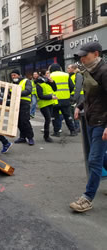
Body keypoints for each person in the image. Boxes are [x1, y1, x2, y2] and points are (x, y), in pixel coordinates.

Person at [70, 42, 107, 212]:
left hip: (102, 122)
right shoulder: (88, 71)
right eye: (81, 56)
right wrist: (80, 106)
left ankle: (87, 198)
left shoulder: (104, 71)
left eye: (85, 55)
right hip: (91, 120)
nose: (82, 59)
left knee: (94, 159)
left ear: (96, 53)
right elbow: (90, 97)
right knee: (101, 158)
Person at [49, 63, 77, 137]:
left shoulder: (50, 76)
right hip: (65, 99)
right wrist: (67, 93)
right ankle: (72, 131)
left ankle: (56, 132)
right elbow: (71, 86)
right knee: (68, 116)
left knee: (55, 116)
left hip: (54, 99)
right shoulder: (66, 75)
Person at [10, 69, 35, 146]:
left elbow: (28, 90)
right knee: (18, 122)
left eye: (15, 75)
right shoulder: (12, 83)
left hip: (24, 103)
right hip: (16, 104)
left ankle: (30, 137)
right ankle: (22, 137)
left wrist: (17, 92)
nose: (13, 77)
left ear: (19, 75)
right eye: (12, 76)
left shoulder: (26, 81)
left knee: (25, 121)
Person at [35, 76, 58, 142]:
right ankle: (46, 136)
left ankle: (46, 136)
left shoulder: (48, 83)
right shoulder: (39, 85)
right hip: (43, 105)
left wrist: (52, 82)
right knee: (47, 119)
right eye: (47, 74)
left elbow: (54, 89)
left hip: (50, 103)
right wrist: (51, 97)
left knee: (48, 119)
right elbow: (41, 96)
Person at [67, 64, 84, 133]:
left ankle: (78, 127)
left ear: (73, 69)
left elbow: (78, 87)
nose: (67, 69)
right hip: (73, 96)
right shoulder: (70, 76)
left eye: (68, 68)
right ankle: (76, 126)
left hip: (79, 96)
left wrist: (75, 98)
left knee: (77, 112)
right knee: (73, 112)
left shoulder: (78, 75)